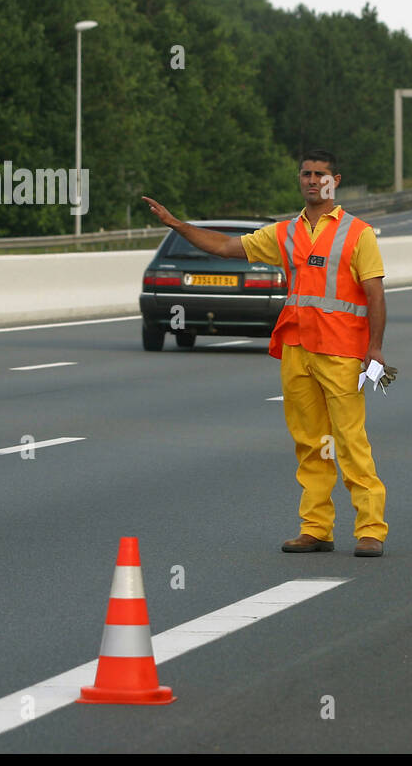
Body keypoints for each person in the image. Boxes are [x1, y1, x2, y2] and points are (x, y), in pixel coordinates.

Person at [142, 149, 389, 557]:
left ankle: (370, 529)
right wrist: (175, 224)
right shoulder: (284, 233)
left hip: (343, 352)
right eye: (306, 173)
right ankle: (315, 528)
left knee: (349, 442)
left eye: (320, 174)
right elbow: (223, 247)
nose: (312, 180)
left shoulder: (357, 233)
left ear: (335, 181)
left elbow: (375, 291)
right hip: (296, 349)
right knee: (311, 443)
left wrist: (375, 350)